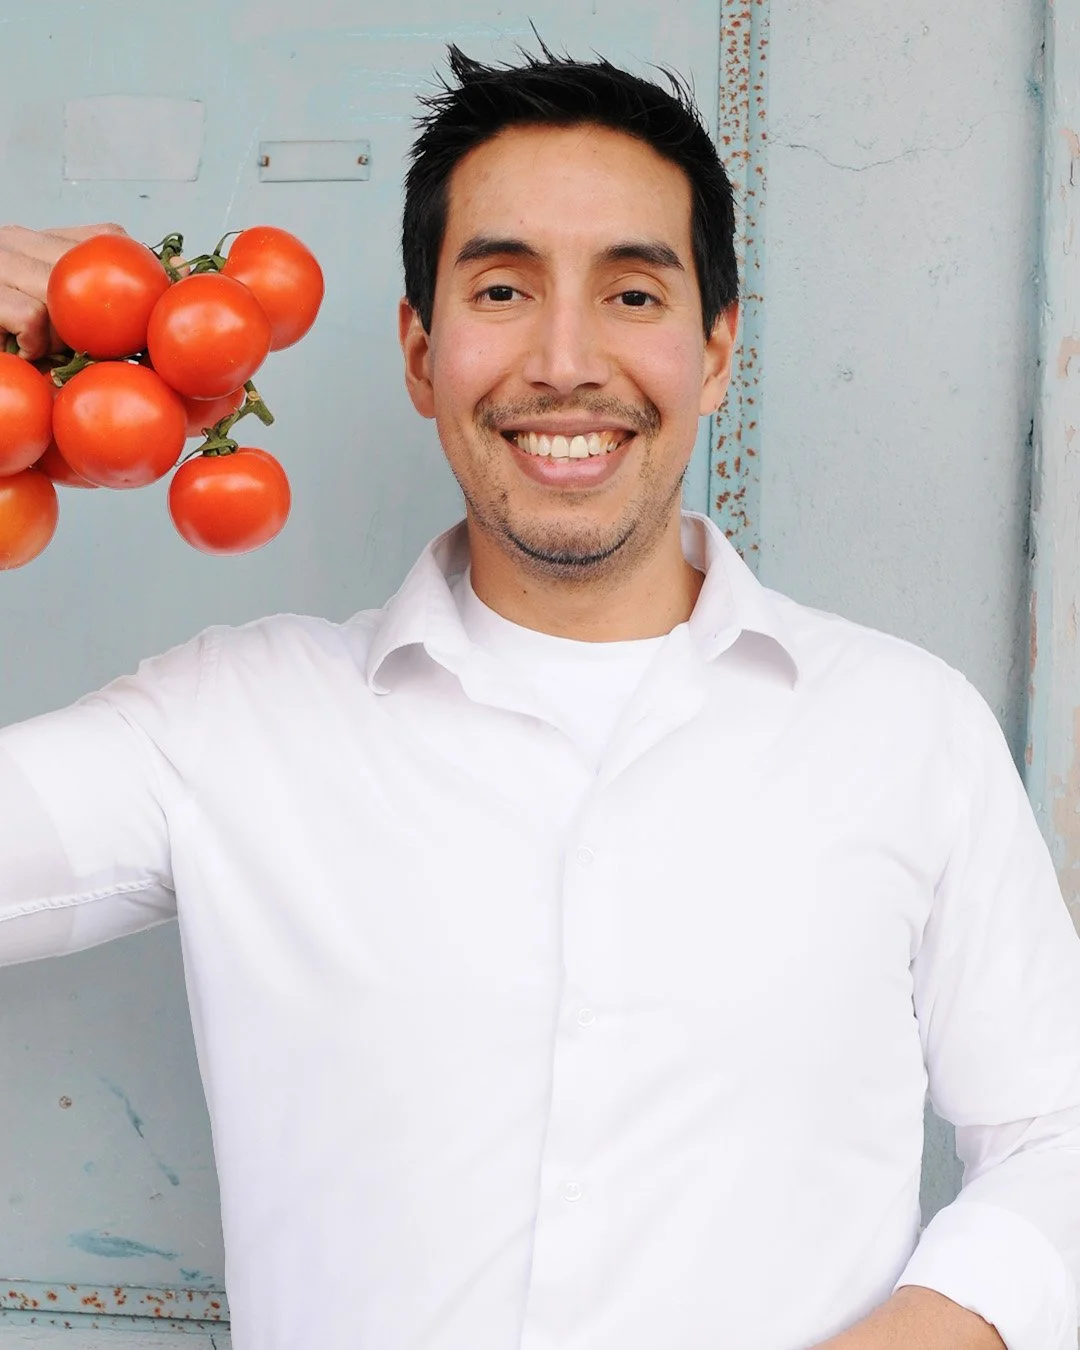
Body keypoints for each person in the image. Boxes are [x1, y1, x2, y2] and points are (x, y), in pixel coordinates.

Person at [2, 44, 1080, 1350]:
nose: (565, 360)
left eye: (633, 291)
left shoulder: (906, 729)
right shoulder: (227, 725)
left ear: (717, 349)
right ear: (419, 351)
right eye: (503, 286)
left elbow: (1056, 1137)